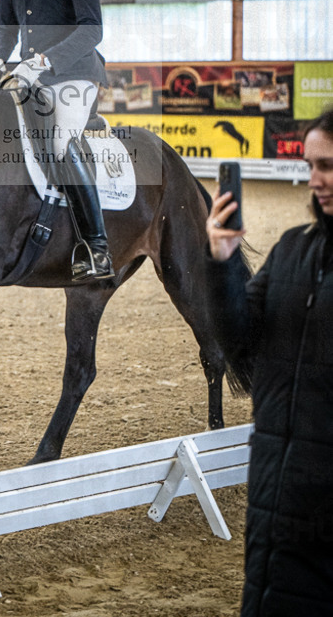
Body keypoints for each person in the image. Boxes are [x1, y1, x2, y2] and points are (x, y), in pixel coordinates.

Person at [205, 107, 333, 617]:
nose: (314, 179)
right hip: (274, 502)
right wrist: (224, 261)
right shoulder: (290, 251)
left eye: (326, 166)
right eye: (310, 165)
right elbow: (240, 344)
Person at [0, 0, 112, 281]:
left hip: (74, 75)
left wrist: (41, 62)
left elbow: (92, 29)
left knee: (59, 141)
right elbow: (6, 26)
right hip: (29, 77)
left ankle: (96, 247)